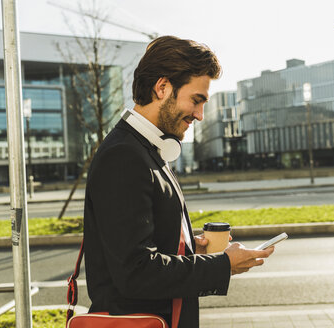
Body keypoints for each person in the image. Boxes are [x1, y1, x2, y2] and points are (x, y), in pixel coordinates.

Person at [83, 35, 274, 328]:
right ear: (162, 87)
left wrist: (186, 248)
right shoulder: (123, 156)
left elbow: (139, 249)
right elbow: (136, 272)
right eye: (196, 100)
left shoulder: (146, 150)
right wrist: (223, 265)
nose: (199, 114)